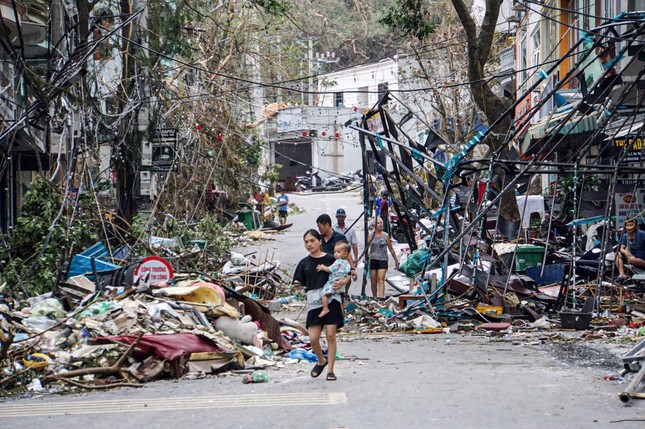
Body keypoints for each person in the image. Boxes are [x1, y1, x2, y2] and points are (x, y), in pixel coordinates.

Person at [293, 230, 350, 381]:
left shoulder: (333, 259)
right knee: (313, 338)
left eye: (312, 240)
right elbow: (298, 280)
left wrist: (344, 281)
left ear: (319, 241)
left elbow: (348, 272)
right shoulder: (304, 263)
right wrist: (297, 286)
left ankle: (330, 370)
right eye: (306, 242)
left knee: (331, 335)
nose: (309, 244)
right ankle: (321, 360)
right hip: (313, 302)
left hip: (332, 300)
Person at [316, 241, 351, 318]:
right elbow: (349, 273)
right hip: (341, 285)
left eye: (338, 252)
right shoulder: (347, 263)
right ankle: (341, 318)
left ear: (345, 254)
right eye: (334, 252)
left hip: (333, 282)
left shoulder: (338, 262)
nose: (335, 254)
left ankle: (325, 308)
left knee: (323, 294)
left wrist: (322, 267)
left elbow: (330, 269)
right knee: (339, 301)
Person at [366, 217, 399, 298]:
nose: (380, 225)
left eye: (381, 223)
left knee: (381, 280)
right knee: (373, 281)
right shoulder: (371, 236)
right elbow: (367, 248)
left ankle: (381, 298)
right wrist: (365, 258)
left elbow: (391, 249)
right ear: (374, 225)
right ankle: (374, 297)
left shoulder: (385, 235)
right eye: (378, 223)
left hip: (383, 260)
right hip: (373, 259)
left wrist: (396, 260)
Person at [333, 208, 359, 295]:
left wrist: (356, 257)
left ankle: (346, 293)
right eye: (339, 216)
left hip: (347, 257)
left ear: (345, 217)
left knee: (348, 275)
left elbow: (354, 244)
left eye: (342, 216)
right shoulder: (333, 229)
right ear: (336, 217)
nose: (340, 218)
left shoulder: (350, 230)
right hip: (336, 257)